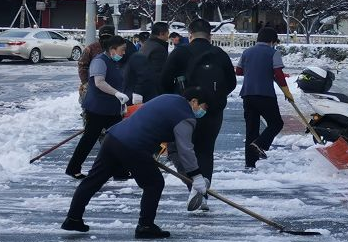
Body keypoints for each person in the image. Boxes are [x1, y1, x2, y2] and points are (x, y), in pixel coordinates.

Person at [61, 88, 212, 238]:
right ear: (194, 101)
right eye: (204, 107)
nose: (202, 112)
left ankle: (73, 218)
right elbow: (185, 149)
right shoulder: (185, 116)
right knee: (154, 183)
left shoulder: (168, 97)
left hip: (114, 138)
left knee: (93, 179)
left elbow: (149, 121)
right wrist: (196, 175)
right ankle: (145, 226)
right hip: (133, 146)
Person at [160, 18, 237, 211]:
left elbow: (164, 81)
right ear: (210, 35)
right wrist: (213, 99)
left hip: (184, 110)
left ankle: (194, 186)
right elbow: (232, 83)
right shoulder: (220, 54)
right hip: (212, 111)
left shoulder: (180, 53)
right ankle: (203, 192)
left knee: (177, 149)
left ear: (190, 34)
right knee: (205, 150)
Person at [66, 35, 129, 180]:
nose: (124, 53)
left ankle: (119, 171)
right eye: (122, 50)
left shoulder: (112, 61)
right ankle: (73, 167)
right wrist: (117, 93)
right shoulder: (99, 61)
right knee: (89, 139)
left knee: (117, 139)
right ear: (112, 49)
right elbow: (99, 82)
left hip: (111, 109)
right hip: (97, 109)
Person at [235, 27, 294, 168]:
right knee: (276, 123)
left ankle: (250, 163)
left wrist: (255, 71)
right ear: (272, 41)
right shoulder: (273, 53)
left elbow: (239, 71)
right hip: (265, 95)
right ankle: (260, 144)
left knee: (251, 129)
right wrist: (287, 92)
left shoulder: (247, 52)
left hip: (247, 95)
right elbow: (278, 74)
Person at [123, 22, 170, 104]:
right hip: (151, 92)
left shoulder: (147, 44)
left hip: (141, 90)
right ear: (161, 33)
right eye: (167, 33)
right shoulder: (158, 49)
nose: (168, 35)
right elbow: (158, 73)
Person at [77, 25, 114, 105]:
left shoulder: (117, 48)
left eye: (109, 37)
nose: (106, 40)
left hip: (111, 85)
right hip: (92, 84)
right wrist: (85, 82)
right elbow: (82, 65)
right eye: (103, 37)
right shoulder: (91, 48)